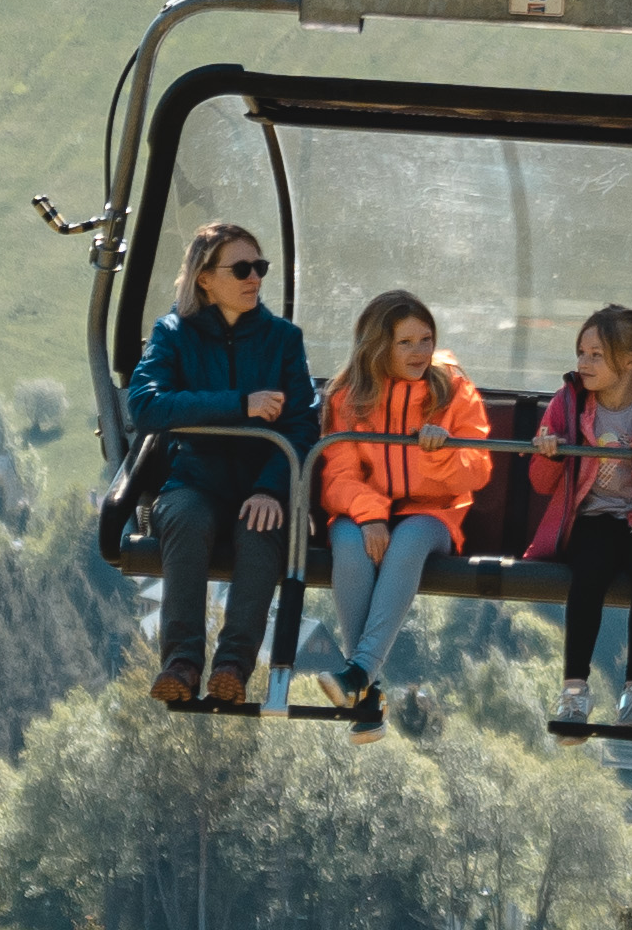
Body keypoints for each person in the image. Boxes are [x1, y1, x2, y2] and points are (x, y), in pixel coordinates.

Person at [124, 218, 316, 709]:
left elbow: (301, 423)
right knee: (185, 521)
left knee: (260, 530)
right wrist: (239, 404)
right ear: (205, 278)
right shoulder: (173, 334)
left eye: (261, 267)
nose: (255, 278)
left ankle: (232, 666)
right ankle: (182, 662)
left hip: (262, 481)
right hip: (195, 479)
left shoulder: (282, 340)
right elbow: (145, 406)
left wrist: (273, 488)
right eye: (242, 268)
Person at [309, 283, 492, 731]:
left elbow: (478, 468)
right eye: (404, 343)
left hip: (433, 513)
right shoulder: (349, 397)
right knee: (349, 545)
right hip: (363, 510)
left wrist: (440, 454)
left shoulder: (452, 388)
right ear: (378, 347)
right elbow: (338, 475)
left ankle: (358, 676)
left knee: (406, 541)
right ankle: (363, 691)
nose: (418, 353)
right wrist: (370, 516)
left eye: (425, 340)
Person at [524, 303, 632, 735]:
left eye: (596, 355)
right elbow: (539, 483)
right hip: (593, 514)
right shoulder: (570, 402)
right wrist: (550, 453)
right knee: (591, 566)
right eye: (581, 352)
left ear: (630, 362)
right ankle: (574, 689)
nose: (583, 364)